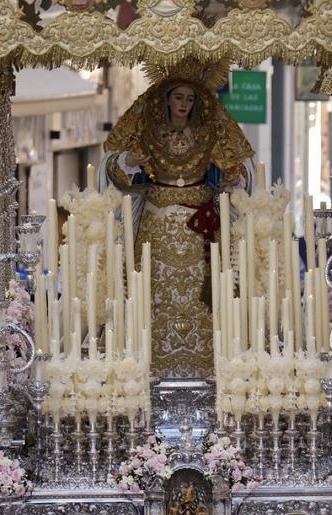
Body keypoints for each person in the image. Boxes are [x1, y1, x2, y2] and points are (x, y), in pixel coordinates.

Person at [103, 65, 253, 379]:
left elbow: (240, 170)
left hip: (201, 223)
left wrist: (233, 177)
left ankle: (209, 365)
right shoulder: (147, 130)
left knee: (207, 290)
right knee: (150, 288)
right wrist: (129, 161)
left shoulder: (209, 130)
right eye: (179, 97)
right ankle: (149, 365)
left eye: (190, 98)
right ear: (167, 100)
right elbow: (113, 167)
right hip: (156, 223)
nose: (184, 104)